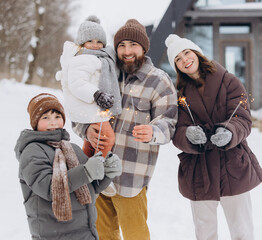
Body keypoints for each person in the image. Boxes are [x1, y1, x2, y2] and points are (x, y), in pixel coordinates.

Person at [72, 19, 178, 239]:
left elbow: (169, 122)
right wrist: (85, 129)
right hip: (98, 170)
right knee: (103, 233)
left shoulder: (159, 81)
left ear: (143, 48)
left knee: (135, 234)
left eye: (133, 45)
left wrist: (153, 132)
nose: (127, 51)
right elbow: (79, 106)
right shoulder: (104, 71)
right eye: (121, 45)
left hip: (131, 176)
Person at [165, 34, 262, 240]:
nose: (184, 60)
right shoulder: (179, 95)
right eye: (177, 59)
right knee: (204, 232)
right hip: (199, 168)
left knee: (242, 230)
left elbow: (242, 118)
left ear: (197, 53)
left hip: (231, 163)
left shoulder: (229, 81)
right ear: (176, 67)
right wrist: (188, 135)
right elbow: (177, 130)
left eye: (186, 53)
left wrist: (229, 131)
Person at [14, 93, 122, 240]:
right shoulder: (32, 151)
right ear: (35, 122)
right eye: (45, 118)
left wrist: (107, 173)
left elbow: (91, 187)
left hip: (85, 232)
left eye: (57, 117)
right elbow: (49, 188)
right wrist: (86, 172)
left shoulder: (72, 148)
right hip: (53, 235)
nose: (53, 122)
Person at [56, 15, 121, 159]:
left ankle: (85, 166)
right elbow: (77, 83)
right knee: (107, 139)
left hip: (93, 109)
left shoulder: (99, 58)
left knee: (92, 142)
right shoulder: (82, 59)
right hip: (90, 108)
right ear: (82, 43)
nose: (95, 45)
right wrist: (97, 94)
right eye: (90, 41)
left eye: (99, 41)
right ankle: (98, 171)